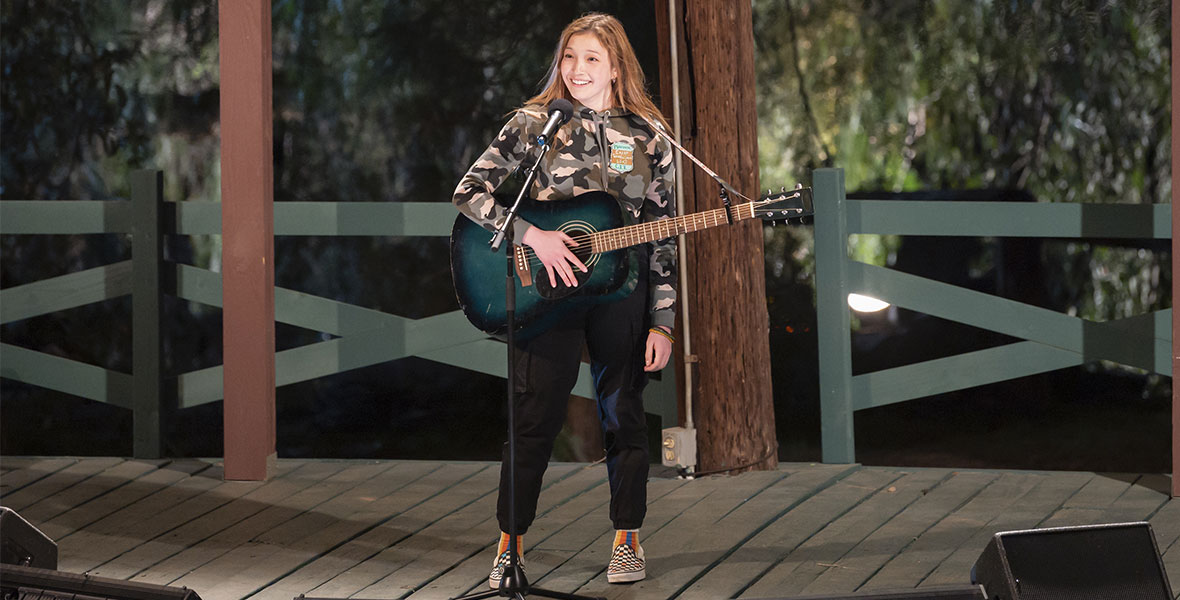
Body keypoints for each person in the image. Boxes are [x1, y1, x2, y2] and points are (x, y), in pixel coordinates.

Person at [451, 12, 677, 588]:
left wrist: (664, 322)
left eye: (592, 59)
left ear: (616, 66)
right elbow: (469, 192)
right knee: (531, 420)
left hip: (622, 292)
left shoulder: (649, 133)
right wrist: (535, 237)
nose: (577, 70)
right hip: (542, 294)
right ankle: (510, 546)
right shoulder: (534, 124)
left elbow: (662, 230)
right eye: (570, 57)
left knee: (622, 415)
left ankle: (627, 541)